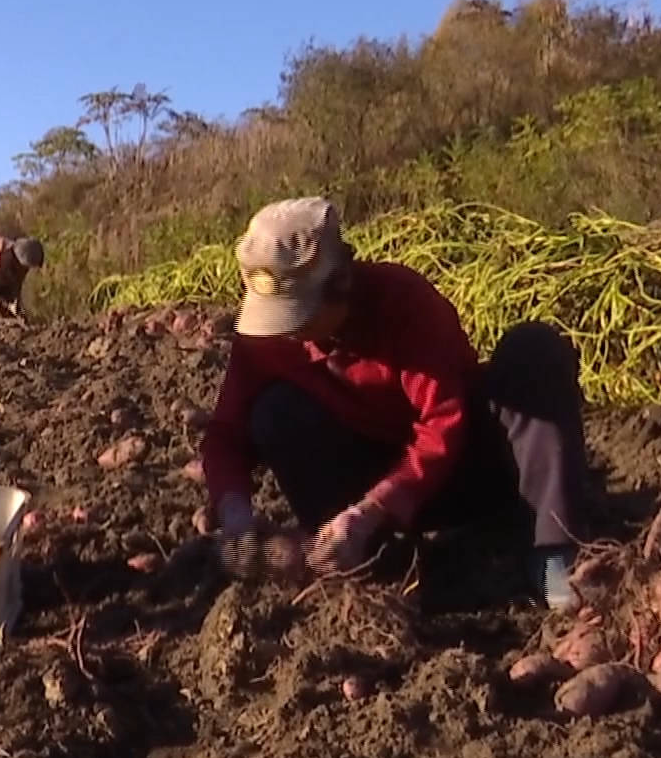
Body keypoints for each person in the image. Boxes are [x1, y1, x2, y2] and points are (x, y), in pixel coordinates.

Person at [198, 197, 591, 612]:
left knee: (534, 349)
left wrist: (375, 508)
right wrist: (235, 510)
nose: (290, 334)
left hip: (468, 471)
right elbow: (226, 434)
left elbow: (443, 424)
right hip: (367, 498)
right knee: (275, 411)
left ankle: (552, 553)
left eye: (300, 317)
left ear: (343, 282)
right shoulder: (267, 341)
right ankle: (346, 558)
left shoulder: (404, 303)